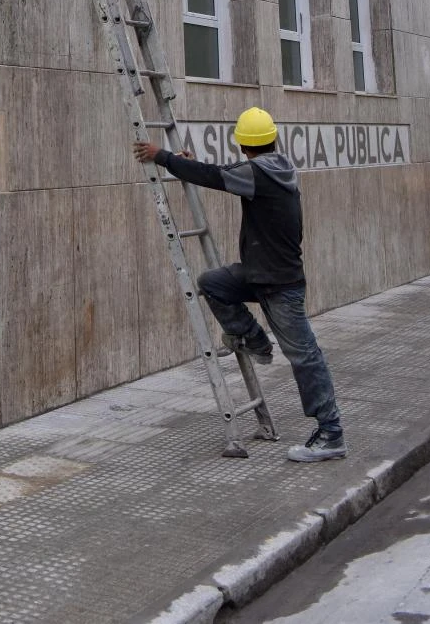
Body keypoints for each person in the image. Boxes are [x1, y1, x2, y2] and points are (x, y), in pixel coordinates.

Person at [134, 106, 346, 463]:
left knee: (305, 357)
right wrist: (190, 162)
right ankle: (255, 341)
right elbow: (224, 173)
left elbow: (220, 176)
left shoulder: (259, 173)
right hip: (259, 273)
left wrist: (163, 157)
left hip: (279, 284)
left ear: (243, 146)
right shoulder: (278, 167)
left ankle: (331, 433)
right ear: (272, 139)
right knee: (213, 282)